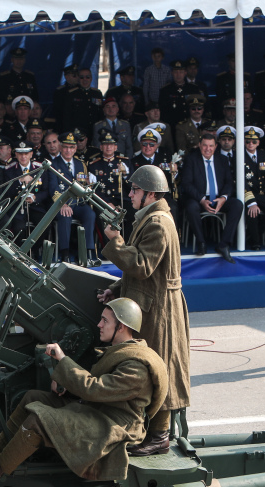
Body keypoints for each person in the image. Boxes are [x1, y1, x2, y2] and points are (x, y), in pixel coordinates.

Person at [0, 297, 167, 485]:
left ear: (121, 326)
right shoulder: (120, 351)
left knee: (40, 421)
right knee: (33, 397)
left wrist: (63, 362)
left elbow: (95, 389)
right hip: (99, 411)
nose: (99, 325)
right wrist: (65, 382)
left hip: (114, 426)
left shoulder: (136, 367)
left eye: (105, 321)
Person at [99, 165, 190, 451]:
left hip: (160, 309)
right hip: (150, 303)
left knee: (159, 367)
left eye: (135, 190)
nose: (130, 194)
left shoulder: (158, 223)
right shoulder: (149, 218)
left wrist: (115, 241)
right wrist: (114, 289)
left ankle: (159, 437)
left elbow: (142, 265)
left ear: (150, 194)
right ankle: (151, 431)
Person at [180, 133, 241, 262]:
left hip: (218, 198)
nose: (208, 149)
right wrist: (202, 199)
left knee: (237, 204)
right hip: (198, 198)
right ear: (199, 145)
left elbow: (229, 182)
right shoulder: (191, 159)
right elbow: (186, 183)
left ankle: (224, 244)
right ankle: (201, 243)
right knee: (191, 206)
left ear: (216, 146)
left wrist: (223, 198)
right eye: (205, 145)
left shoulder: (222, 160)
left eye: (211, 146)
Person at [46, 132, 98, 264]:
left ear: (75, 149)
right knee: (65, 215)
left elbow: (84, 185)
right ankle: (65, 253)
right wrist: (62, 204)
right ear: (61, 148)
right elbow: (53, 187)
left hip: (79, 203)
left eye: (71, 147)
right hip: (62, 203)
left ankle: (88, 252)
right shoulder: (53, 164)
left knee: (90, 214)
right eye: (65, 147)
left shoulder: (81, 164)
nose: (68, 150)